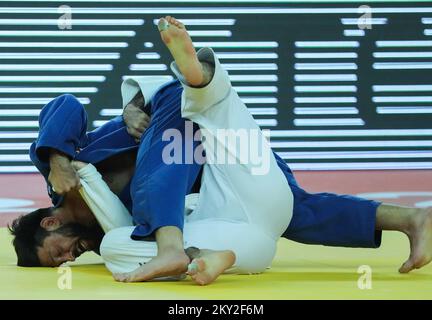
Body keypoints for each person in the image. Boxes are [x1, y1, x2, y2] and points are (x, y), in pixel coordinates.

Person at [9, 16, 432, 279]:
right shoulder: (106, 238)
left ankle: (197, 73)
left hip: (185, 120)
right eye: (61, 265)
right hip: (222, 172)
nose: (69, 259)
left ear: (48, 224)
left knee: (163, 159)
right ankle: (410, 219)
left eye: (57, 254)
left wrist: (58, 157)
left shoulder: (61, 176)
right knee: (290, 210)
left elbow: (64, 105)